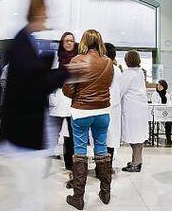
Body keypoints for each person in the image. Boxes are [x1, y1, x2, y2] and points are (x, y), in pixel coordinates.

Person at [0, 0, 72, 211]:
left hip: (30, 124)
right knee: (29, 190)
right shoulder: (22, 42)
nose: (47, 15)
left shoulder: (26, 40)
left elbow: (33, 76)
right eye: (45, 10)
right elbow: (33, 83)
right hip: (24, 127)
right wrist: (65, 73)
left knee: (30, 188)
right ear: (38, 11)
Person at [63, 29, 113, 210]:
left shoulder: (76, 61)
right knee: (102, 148)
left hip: (81, 112)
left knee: (80, 151)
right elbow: (108, 84)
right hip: (103, 112)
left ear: (84, 41)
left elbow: (68, 90)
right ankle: (105, 192)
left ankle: (78, 197)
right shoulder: (108, 62)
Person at [49, 31, 78, 188]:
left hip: (73, 99)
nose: (69, 43)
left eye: (71, 41)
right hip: (58, 97)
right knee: (53, 131)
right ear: (62, 42)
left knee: (72, 134)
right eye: (66, 41)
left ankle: (71, 164)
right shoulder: (56, 57)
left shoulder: (78, 58)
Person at [120, 50, 149, 173]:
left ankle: (137, 163)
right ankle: (136, 160)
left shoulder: (128, 74)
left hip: (132, 109)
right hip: (140, 109)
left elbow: (120, 91)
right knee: (139, 136)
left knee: (134, 137)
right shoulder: (140, 72)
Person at [104, 42, 122, 172]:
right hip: (113, 108)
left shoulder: (102, 68)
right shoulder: (117, 70)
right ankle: (107, 167)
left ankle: (103, 167)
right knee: (111, 138)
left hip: (103, 107)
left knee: (103, 138)